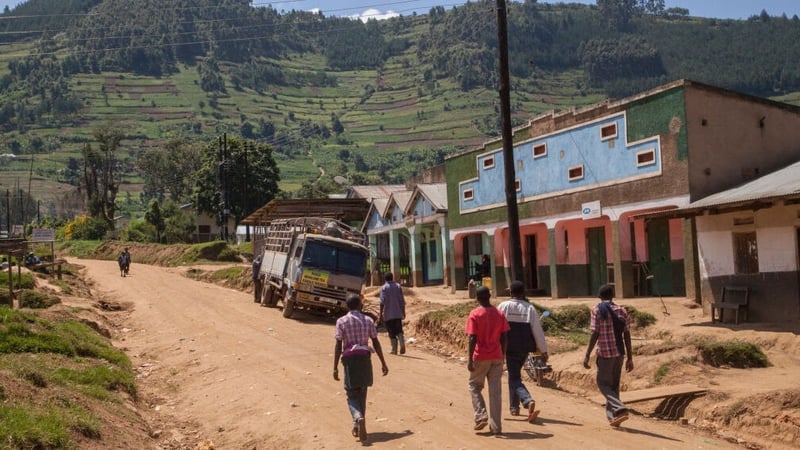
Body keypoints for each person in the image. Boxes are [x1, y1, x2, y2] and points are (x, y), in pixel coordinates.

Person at [333, 294, 389, 443]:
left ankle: (358, 418)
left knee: (351, 393)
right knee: (362, 392)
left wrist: (335, 367)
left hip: (349, 360)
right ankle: (358, 424)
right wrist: (383, 362)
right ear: (359, 305)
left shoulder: (341, 321)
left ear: (347, 306)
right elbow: (376, 342)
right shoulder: (368, 320)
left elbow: (338, 345)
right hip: (364, 358)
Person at [583, 284, 634, 427]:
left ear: (599, 296)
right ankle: (614, 417)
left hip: (605, 353)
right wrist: (630, 357)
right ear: (613, 296)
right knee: (614, 386)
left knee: (602, 383)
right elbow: (627, 335)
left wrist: (587, 354)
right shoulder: (622, 310)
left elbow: (595, 333)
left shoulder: (596, 310)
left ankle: (618, 407)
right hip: (619, 353)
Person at [497, 280, 548, 423]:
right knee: (515, 375)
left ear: (510, 292)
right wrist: (543, 350)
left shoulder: (503, 306)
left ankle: (526, 399)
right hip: (525, 348)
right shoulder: (529, 308)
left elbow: (497, 327)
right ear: (523, 293)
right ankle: (514, 408)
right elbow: (537, 331)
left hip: (509, 347)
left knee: (514, 377)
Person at [466, 286, 509, 435]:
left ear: (477, 298)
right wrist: (502, 355)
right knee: (495, 392)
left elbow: (472, 337)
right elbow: (504, 336)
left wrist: (470, 359)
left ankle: (481, 415)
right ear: (490, 296)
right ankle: (496, 427)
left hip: (480, 356)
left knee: (474, 385)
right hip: (496, 355)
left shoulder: (475, 314)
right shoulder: (499, 313)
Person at [379, 272, 406, 355]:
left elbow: (382, 301)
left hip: (388, 313)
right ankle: (402, 343)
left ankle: (394, 349)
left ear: (385, 279)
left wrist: (380, 313)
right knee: (399, 329)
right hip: (398, 313)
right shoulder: (398, 286)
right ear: (392, 277)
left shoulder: (384, 288)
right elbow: (402, 300)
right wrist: (403, 311)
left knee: (391, 331)